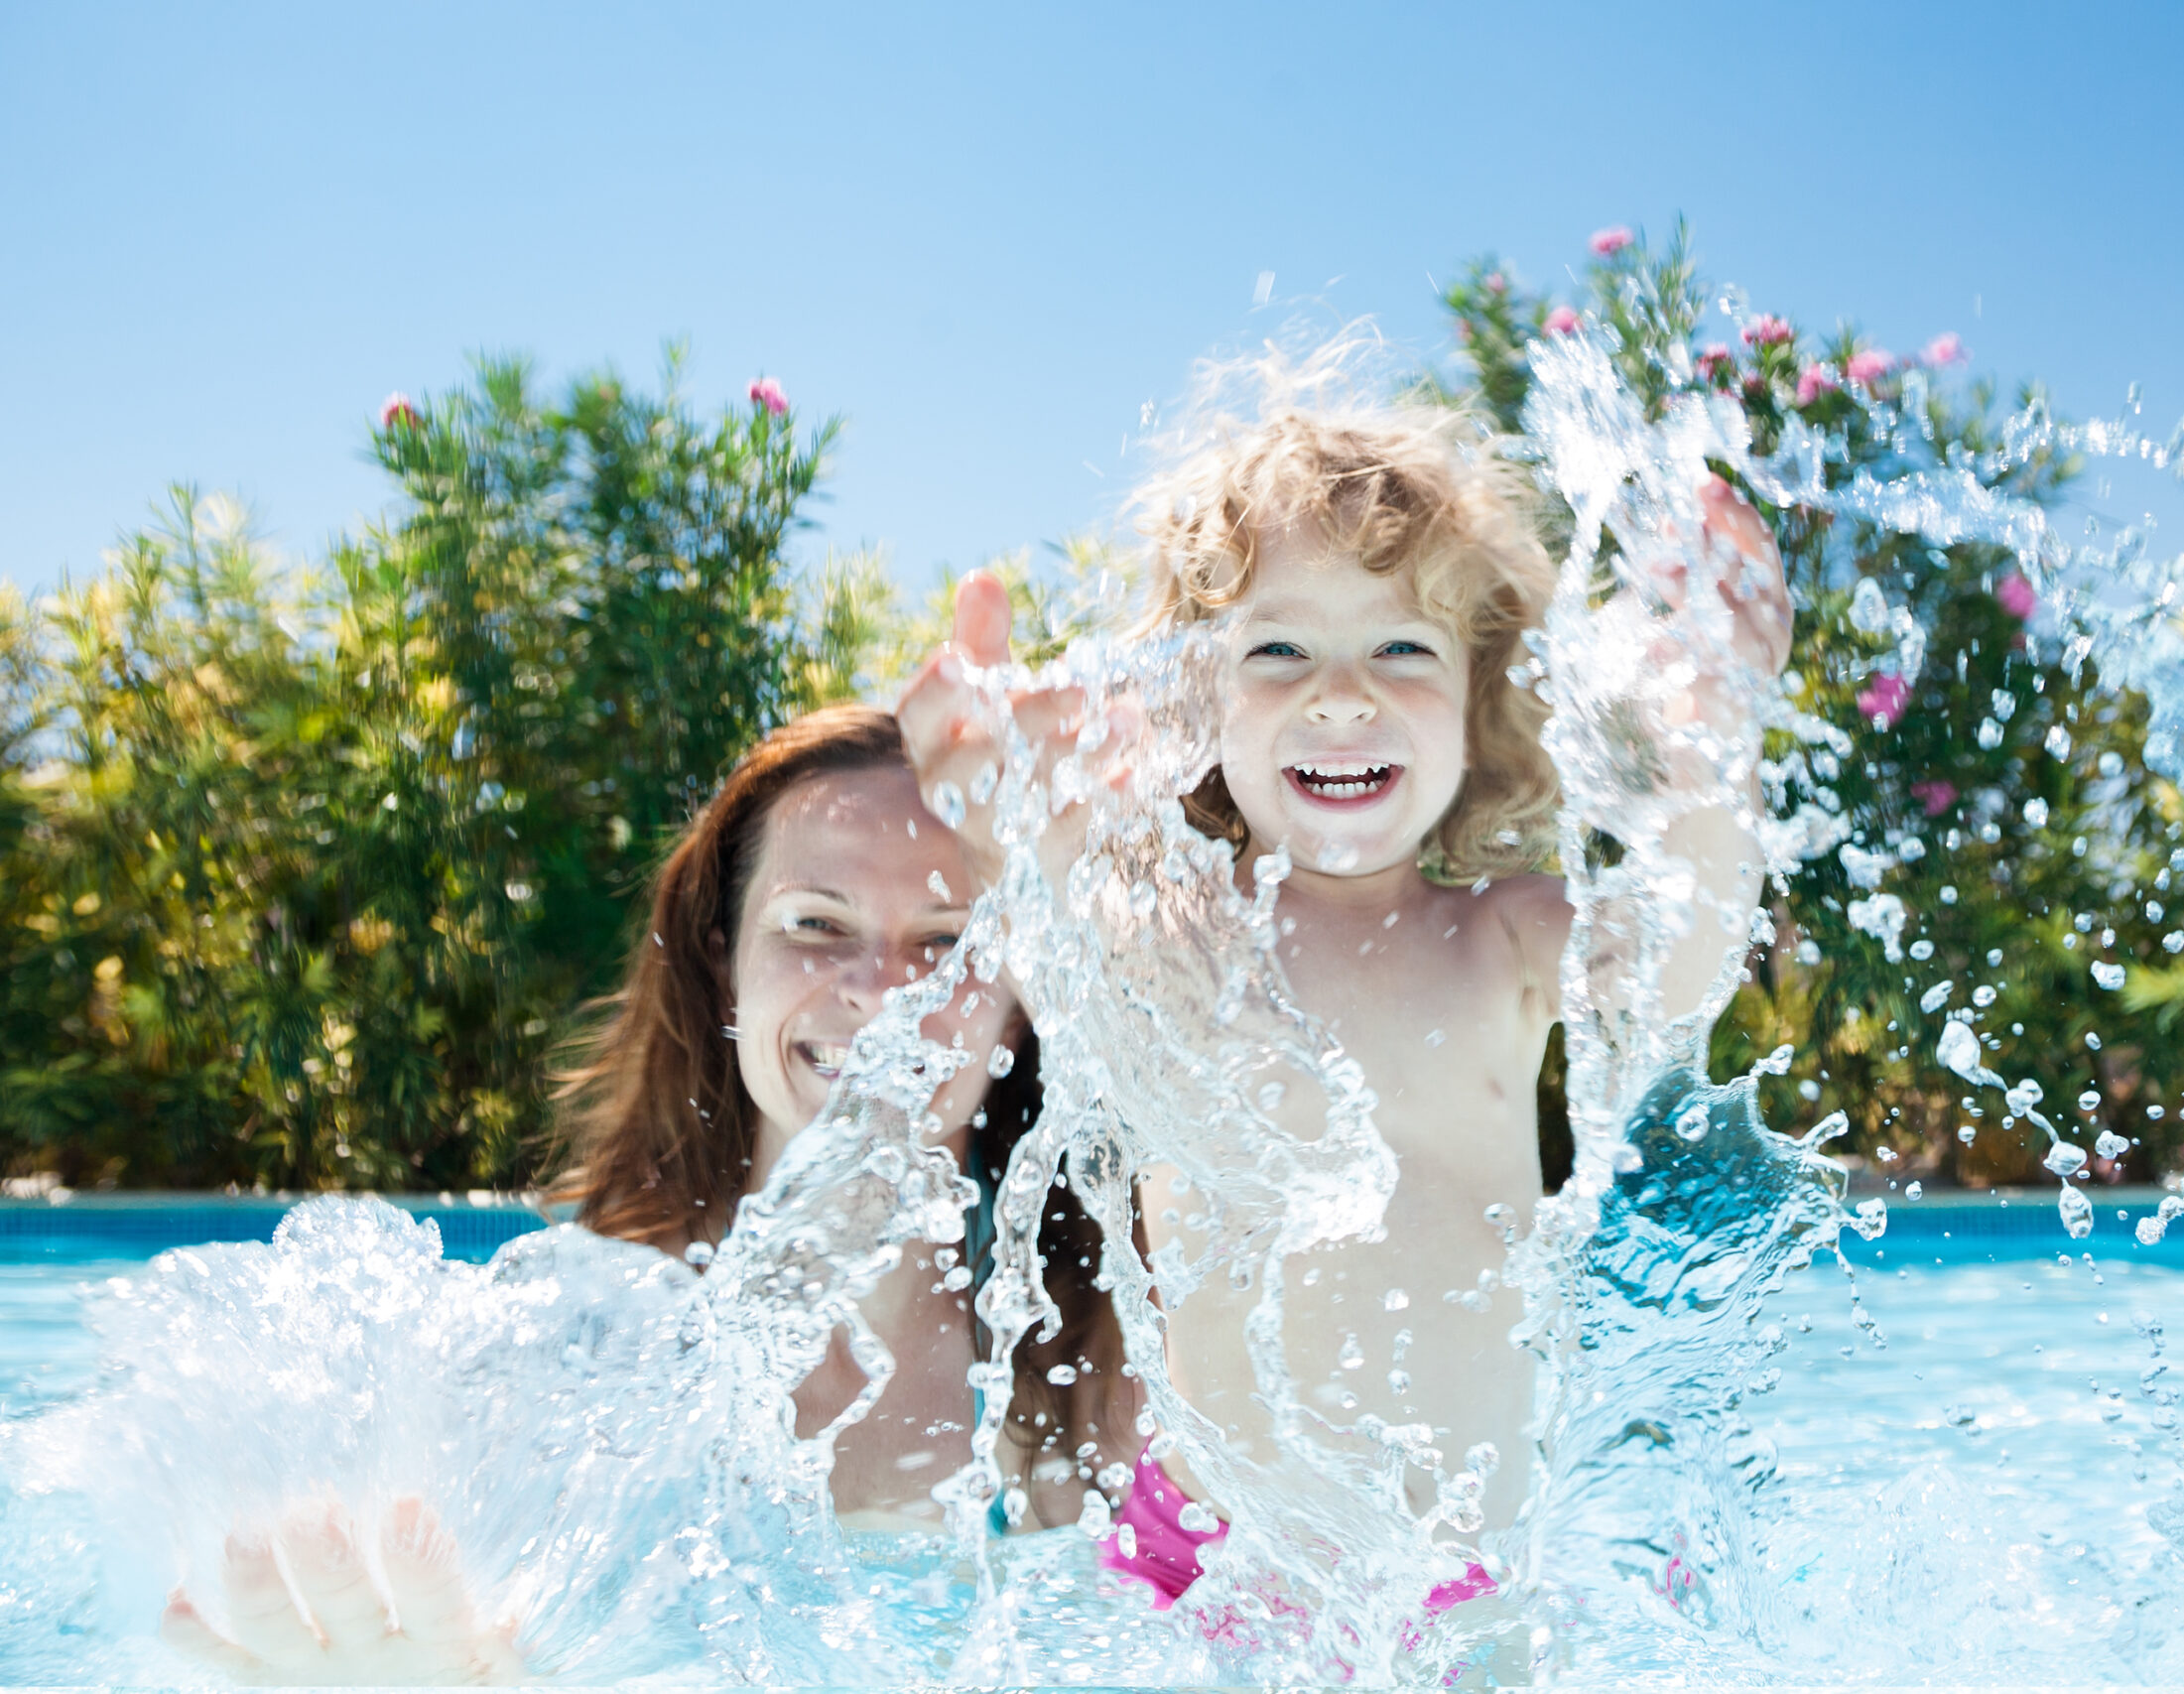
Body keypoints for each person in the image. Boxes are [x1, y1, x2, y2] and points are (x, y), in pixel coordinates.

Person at [899, 395, 1789, 1604]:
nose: (1339, 694)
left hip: (1450, 1578)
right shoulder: (1179, 934)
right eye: (1277, 650)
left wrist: (1709, 756)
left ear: (1479, 702)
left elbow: (1677, 972)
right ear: (1192, 700)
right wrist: (993, 786)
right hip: (1205, 1553)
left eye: (1401, 649)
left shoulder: (1504, 937)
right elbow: (1044, 902)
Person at [162, 703, 1136, 1679]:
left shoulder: (1110, 1355)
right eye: (816, 924)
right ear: (723, 961)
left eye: (944, 938)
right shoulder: (569, 1350)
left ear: (1019, 996)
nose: (879, 991)